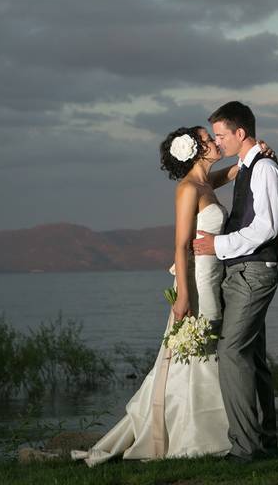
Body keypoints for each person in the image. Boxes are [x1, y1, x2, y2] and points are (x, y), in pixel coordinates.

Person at [72, 125, 263, 466]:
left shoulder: (205, 182)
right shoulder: (188, 188)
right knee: (199, 351)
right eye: (207, 140)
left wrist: (255, 153)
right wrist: (183, 296)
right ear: (195, 150)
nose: (214, 142)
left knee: (209, 351)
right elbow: (179, 246)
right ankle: (201, 434)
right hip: (198, 278)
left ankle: (217, 431)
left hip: (213, 275)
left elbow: (226, 174)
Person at [192, 101, 278, 463]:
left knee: (231, 353)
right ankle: (264, 442)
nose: (218, 141)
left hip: (254, 272)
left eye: (221, 135)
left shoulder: (264, 170)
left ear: (240, 133)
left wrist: (217, 245)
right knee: (253, 358)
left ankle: (246, 448)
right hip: (243, 271)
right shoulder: (248, 167)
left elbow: (266, 227)